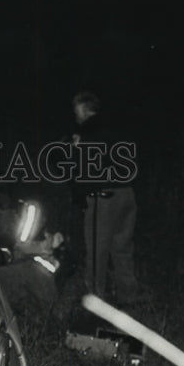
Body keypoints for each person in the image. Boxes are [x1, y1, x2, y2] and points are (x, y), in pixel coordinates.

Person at [70, 91, 140, 305]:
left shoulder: (88, 131)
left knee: (96, 252)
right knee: (122, 249)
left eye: (76, 112)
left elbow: (84, 169)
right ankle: (128, 297)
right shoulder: (118, 127)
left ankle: (96, 301)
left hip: (103, 198)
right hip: (127, 194)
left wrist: (80, 197)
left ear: (83, 109)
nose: (75, 117)